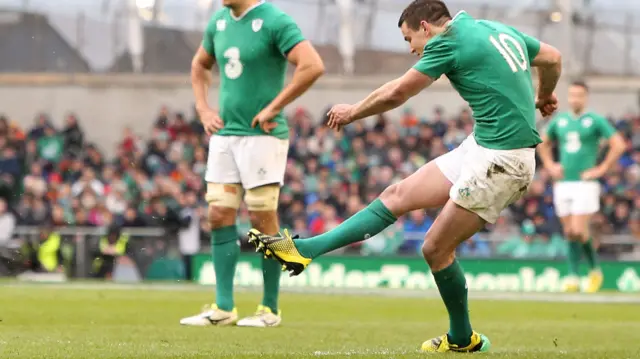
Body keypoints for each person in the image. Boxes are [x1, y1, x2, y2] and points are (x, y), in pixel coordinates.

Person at [248, 0, 561, 352]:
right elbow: (552, 57)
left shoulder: (448, 41)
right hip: (483, 147)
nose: (411, 49)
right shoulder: (495, 28)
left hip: (503, 160)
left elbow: (398, 92)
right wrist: (545, 94)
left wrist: (353, 111)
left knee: (435, 248)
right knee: (396, 195)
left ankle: (463, 339)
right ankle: (304, 251)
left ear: (426, 27)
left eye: (409, 39)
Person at [180, 0, 324, 328]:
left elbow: (312, 65)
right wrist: (203, 109)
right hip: (225, 134)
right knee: (218, 213)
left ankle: (269, 309)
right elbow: (200, 65)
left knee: (262, 217)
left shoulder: (274, 20)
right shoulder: (218, 22)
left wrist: (275, 106)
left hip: (263, 137)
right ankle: (223, 306)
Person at [537, 81, 625, 293]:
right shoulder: (561, 121)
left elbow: (619, 144)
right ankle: (575, 277)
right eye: (572, 95)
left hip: (585, 183)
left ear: (586, 98)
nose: (575, 99)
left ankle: (593, 270)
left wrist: (601, 169)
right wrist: (549, 165)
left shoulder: (594, 120)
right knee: (570, 232)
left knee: (577, 229)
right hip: (563, 183)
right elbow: (542, 142)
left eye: (579, 95)